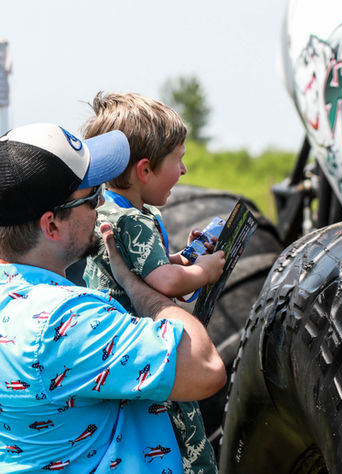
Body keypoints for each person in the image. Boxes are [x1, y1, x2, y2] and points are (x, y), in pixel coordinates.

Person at [0, 123, 226, 473]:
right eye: (91, 197)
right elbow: (205, 368)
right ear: (52, 226)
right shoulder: (65, 321)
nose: (103, 202)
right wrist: (143, 290)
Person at [81, 92, 225, 473]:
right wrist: (204, 271)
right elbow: (164, 280)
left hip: (120, 353)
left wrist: (184, 258)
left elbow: (153, 269)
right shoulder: (134, 220)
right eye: (178, 159)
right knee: (184, 432)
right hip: (148, 349)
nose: (185, 170)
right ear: (144, 170)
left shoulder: (108, 209)